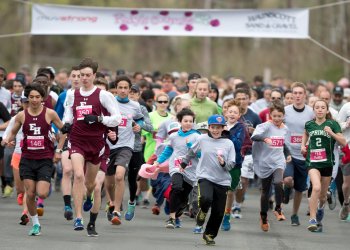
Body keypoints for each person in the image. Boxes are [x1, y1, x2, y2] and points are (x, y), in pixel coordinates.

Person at [62, 58, 121, 234]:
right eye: (81, 75)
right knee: (78, 175)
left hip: (96, 143)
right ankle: (79, 217)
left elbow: (117, 118)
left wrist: (99, 119)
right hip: (77, 140)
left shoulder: (103, 95)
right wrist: (66, 124)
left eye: (88, 75)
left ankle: (87, 196)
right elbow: (69, 114)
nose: (84, 78)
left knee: (90, 184)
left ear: (94, 75)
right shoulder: (72, 94)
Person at [3, 83, 66, 236]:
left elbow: (64, 131)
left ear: (43, 98)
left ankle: (45, 183)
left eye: (37, 97)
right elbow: (12, 132)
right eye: (31, 97)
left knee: (42, 193)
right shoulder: (22, 115)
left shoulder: (50, 113)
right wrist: (8, 141)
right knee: (30, 194)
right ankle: (36, 224)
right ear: (27, 98)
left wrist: (58, 150)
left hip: (45, 158)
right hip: (27, 159)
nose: (34, 100)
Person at [181, 114, 236, 245]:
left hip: (222, 181)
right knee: (206, 198)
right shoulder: (202, 139)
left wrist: (223, 163)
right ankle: (203, 211)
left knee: (218, 211)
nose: (215, 130)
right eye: (213, 127)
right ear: (209, 127)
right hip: (205, 176)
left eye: (218, 127)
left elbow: (231, 164)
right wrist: (183, 163)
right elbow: (191, 151)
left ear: (223, 128)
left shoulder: (228, 143)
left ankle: (209, 234)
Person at [301, 99, 345, 232]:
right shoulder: (309, 124)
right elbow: (305, 134)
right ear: (314, 110)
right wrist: (303, 146)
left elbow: (343, 142)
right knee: (316, 187)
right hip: (312, 162)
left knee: (322, 196)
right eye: (317, 107)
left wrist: (331, 132)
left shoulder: (333, 124)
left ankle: (320, 209)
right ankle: (312, 219)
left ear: (327, 110)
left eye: (322, 107)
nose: (319, 109)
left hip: (327, 163)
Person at [104, 76, 144, 225]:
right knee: (109, 181)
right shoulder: (109, 103)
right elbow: (102, 120)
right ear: (116, 88)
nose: (122, 90)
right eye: (119, 87)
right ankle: (112, 201)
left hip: (126, 145)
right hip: (109, 145)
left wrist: (137, 126)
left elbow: (139, 119)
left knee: (120, 176)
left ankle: (117, 210)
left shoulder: (135, 105)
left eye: (125, 88)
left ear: (129, 89)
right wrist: (108, 132)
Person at [154, 108, 200, 229]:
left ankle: (180, 209)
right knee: (176, 187)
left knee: (183, 198)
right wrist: (158, 161)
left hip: (191, 170)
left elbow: (201, 154)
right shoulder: (173, 136)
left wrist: (191, 147)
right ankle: (172, 218)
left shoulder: (197, 136)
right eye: (186, 121)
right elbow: (168, 150)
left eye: (191, 121)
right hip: (176, 167)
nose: (188, 123)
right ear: (180, 121)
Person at [251, 100, 291, 232]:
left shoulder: (285, 129)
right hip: (264, 162)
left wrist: (288, 153)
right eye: (274, 116)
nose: (277, 119)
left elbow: (282, 143)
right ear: (270, 115)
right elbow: (254, 136)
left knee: (279, 182)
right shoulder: (265, 126)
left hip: (278, 161)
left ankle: (278, 208)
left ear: (283, 116)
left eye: (280, 116)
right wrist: (264, 139)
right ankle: (263, 217)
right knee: (265, 192)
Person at [283, 82, 315, 226]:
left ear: (304, 95)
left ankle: (294, 215)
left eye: (300, 93)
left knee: (300, 189)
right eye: (295, 93)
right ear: (292, 95)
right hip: (288, 152)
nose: (297, 96)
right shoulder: (285, 111)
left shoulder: (311, 112)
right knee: (288, 179)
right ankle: (286, 188)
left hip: (303, 154)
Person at [55, 66, 81, 220]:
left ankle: (84, 196)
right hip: (67, 135)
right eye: (74, 76)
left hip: (84, 138)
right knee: (66, 170)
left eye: (80, 75)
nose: (77, 78)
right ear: (70, 78)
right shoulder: (64, 95)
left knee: (80, 174)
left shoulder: (91, 95)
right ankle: (67, 205)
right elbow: (56, 116)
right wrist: (56, 131)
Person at [233, 88, 261, 218]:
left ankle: (237, 205)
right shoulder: (231, 113)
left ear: (248, 100)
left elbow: (261, 133)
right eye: (238, 98)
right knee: (233, 181)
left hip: (248, 153)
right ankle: (229, 204)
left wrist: (253, 130)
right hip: (232, 152)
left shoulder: (254, 116)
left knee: (243, 181)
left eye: (244, 98)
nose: (241, 101)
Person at [220, 99, 246, 231]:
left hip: (234, 163)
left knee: (230, 192)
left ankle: (227, 215)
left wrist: (225, 133)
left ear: (239, 115)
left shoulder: (241, 127)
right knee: (218, 190)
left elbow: (237, 144)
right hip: (218, 162)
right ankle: (217, 213)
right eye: (230, 111)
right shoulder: (219, 124)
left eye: (235, 112)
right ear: (225, 113)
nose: (232, 114)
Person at [333, 100, 350, 220]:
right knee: (346, 184)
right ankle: (346, 203)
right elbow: (337, 126)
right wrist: (346, 124)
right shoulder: (347, 107)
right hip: (347, 148)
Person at [143, 93, 170, 162]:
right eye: (160, 102)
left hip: (166, 154)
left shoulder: (172, 118)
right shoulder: (149, 116)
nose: (163, 103)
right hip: (151, 152)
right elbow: (144, 131)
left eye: (165, 102)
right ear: (156, 103)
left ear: (168, 103)